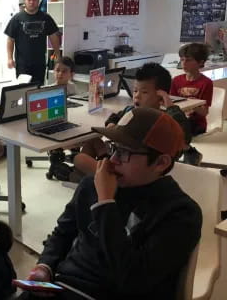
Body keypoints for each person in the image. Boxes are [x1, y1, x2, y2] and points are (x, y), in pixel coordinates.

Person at [20, 107, 202, 300]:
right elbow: (63, 233)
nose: (112, 160)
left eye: (124, 153)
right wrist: (45, 266)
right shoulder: (92, 185)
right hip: (63, 286)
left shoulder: (180, 213)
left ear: (161, 163)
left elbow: (132, 279)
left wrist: (105, 202)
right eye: (113, 148)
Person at [74, 62, 192, 175]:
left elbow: (185, 136)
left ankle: (101, 176)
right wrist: (111, 123)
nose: (137, 95)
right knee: (92, 142)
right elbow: (116, 116)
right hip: (118, 155)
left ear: (161, 95)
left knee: (80, 159)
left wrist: (170, 105)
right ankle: (90, 177)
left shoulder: (162, 121)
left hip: (131, 166)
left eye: (144, 92)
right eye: (135, 90)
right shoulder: (131, 111)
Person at [5, 0, 61, 84]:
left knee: (38, 91)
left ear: (38, 0)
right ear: (24, 1)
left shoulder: (45, 18)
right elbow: (10, 39)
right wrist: (10, 58)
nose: (32, 2)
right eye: (29, 0)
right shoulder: (17, 19)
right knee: (23, 91)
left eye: (34, 0)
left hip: (39, 63)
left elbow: (53, 36)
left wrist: (58, 56)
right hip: (22, 64)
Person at [170, 43, 213, 163]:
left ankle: (189, 153)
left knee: (176, 131)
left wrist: (191, 104)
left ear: (200, 62)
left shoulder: (206, 83)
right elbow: (171, 105)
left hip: (196, 123)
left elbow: (204, 112)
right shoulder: (176, 81)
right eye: (182, 60)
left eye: (188, 60)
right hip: (179, 119)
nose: (184, 63)